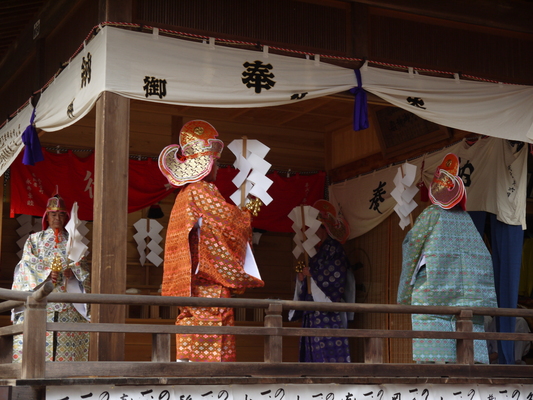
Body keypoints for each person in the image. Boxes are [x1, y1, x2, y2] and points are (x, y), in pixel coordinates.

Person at [158, 120, 264, 362]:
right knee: (212, 334)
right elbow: (228, 224)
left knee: (191, 330)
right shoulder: (202, 191)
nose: (218, 167)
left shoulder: (184, 194)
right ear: (206, 164)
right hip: (207, 280)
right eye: (215, 162)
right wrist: (246, 215)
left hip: (189, 282)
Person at [397, 153, 498, 364]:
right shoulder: (467, 220)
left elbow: (412, 245)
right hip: (468, 297)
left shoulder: (431, 214)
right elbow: (483, 256)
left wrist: (406, 292)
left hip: (435, 292)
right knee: (468, 357)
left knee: (436, 358)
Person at [11, 193, 91, 362]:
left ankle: (66, 377)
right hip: (41, 299)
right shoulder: (34, 239)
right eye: (53, 214)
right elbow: (26, 264)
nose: (57, 218)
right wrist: (47, 272)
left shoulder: (74, 241)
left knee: (67, 342)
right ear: (46, 217)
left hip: (68, 300)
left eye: (62, 214)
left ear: (67, 217)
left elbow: (83, 268)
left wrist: (74, 273)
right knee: (37, 342)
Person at [289, 200, 353, 363]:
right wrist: (303, 278)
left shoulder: (333, 248)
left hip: (327, 308)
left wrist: (314, 272)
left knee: (328, 348)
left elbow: (337, 272)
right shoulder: (316, 252)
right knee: (311, 347)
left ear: (324, 228)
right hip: (311, 307)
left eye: (316, 229)